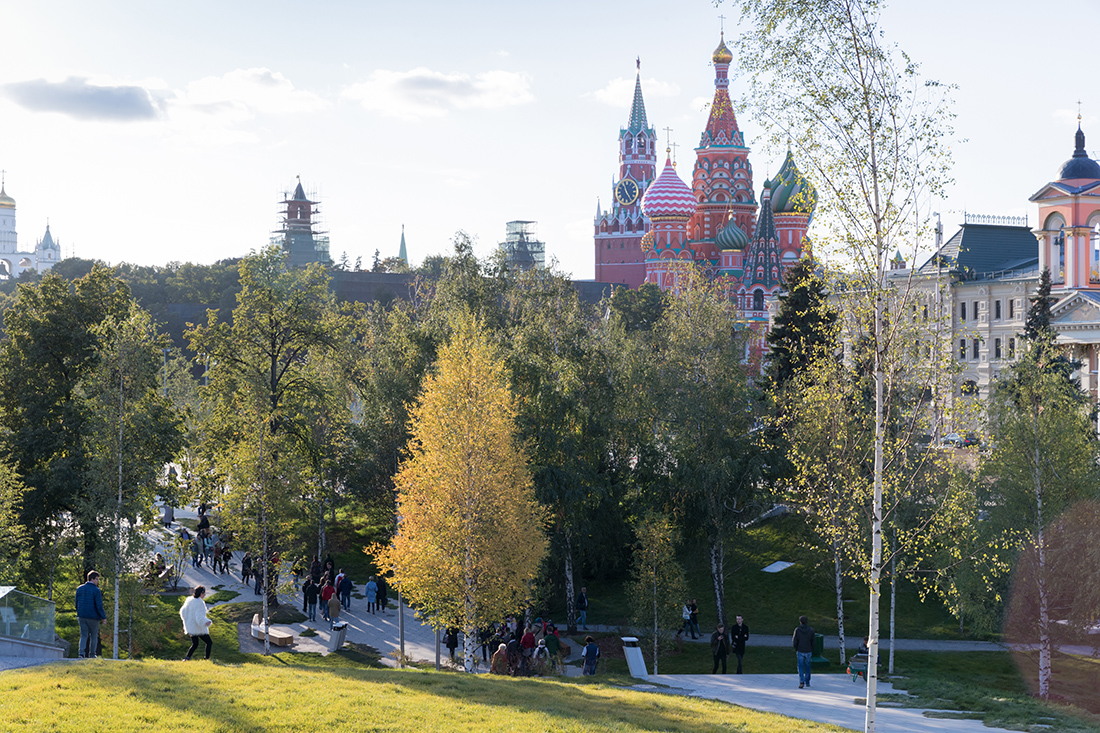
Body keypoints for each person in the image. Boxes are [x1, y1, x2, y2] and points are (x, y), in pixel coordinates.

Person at [75, 570, 106, 659]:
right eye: (97, 579)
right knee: (94, 636)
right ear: (92, 579)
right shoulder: (96, 590)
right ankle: (92, 654)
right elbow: (99, 605)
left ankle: (81, 653)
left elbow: (76, 603)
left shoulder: (79, 589)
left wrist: (79, 612)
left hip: (82, 616)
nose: (97, 581)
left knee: (84, 635)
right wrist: (103, 617)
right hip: (93, 617)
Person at [180, 585, 213, 660]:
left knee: (195, 644)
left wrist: (188, 621)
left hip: (191, 627)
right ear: (201, 593)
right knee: (209, 642)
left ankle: (187, 658)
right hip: (198, 628)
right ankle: (207, 658)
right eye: (204, 593)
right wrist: (207, 622)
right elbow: (199, 618)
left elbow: (182, 612)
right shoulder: (200, 603)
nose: (204, 595)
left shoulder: (189, 600)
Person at [793, 615, 816, 689]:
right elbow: (813, 641)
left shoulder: (797, 630)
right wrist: (812, 648)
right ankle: (808, 681)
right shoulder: (811, 630)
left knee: (800, 666)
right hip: (808, 650)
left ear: (800, 621)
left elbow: (795, 640)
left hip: (800, 650)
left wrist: (796, 648)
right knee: (808, 666)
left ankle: (801, 681)